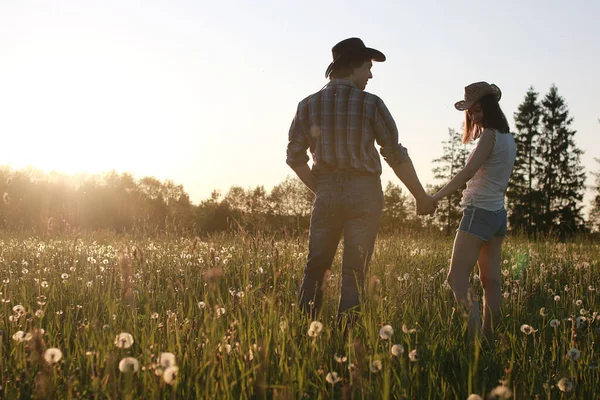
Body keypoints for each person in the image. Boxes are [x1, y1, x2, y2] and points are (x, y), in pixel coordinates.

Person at [286, 37, 435, 323]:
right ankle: (347, 341)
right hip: (364, 192)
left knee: (315, 267)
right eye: (368, 67)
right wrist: (420, 196)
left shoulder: (307, 105)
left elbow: (294, 157)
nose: (370, 74)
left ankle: (305, 335)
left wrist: (322, 190)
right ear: (353, 66)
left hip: (326, 191)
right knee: (355, 270)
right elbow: (395, 155)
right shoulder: (371, 104)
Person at [433, 81, 516, 342]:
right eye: (472, 113)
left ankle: (475, 340)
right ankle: (490, 338)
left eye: (478, 111)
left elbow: (467, 172)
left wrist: (434, 197)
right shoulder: (509, 139)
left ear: (491, 109)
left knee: (456, 278)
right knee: (490, 281)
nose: (475, 117)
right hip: (497, 216)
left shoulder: (490, 136)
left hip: (479, 212)